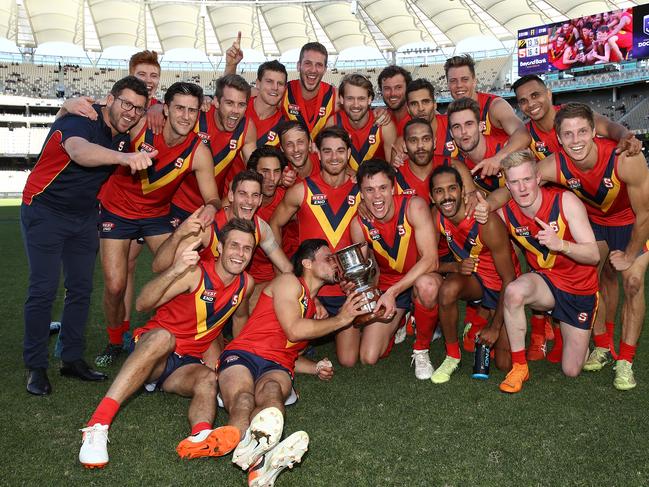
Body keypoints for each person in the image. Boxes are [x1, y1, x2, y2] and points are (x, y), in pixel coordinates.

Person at [78, 219, 256, 468]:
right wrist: (175, 270)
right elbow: (141, 304)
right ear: (220, 248)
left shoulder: (246, 284)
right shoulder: (194, 273)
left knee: (207, 378)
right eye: (234, 245)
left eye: (247, 248)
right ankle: (97, 425)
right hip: (155, 350)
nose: (240, 253)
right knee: (164, 337)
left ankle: (201, 435)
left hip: (184, 365)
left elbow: (238, 318)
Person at [21, 76, 153, 396]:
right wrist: (124, 158)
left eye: (138, 108)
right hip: (44, 209)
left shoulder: (123, 130)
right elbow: (79, 152)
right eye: (125, 104)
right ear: (109, 99)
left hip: (83, 218)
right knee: (44, 288)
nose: (131, 112)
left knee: (80, 288)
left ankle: (71, 358)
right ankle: (36, 366)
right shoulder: (83, 116)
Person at [217, 239, 366, 486]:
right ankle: (259, 460)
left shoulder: (310, 308)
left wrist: (314, 367)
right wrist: (342, 319)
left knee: (273, 396)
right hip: (244, 354)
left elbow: (288, 352)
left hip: (277, 366)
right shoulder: (289, 282)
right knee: (243, 399)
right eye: (328, 258)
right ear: (307, 263)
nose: (335, 263)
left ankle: (254, 460)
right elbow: (294, 331)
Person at [95, 82, 221, 367]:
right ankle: (116, 341)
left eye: (191, 110)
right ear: (165, 108)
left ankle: (185, 335)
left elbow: (212, 197)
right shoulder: (142, 126)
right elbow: (110, 114)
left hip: (155, 216)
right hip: (117, 211)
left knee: (186, 269)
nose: (185, 116)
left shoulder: (198, 151)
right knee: (115, 285)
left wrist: (211, 209)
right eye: (179, 108)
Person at [478, 151, 600, 393]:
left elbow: (594, 255)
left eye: (526, 179)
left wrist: (561, 245)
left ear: (538, 178)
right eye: (514, 182)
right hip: (547, 284)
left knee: (571, 370)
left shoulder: (565, 202)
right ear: (507, 185)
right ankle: (520, 367)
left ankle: (573, 330)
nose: (522, 188)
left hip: (579, 288)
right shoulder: (506, 214)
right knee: (514, 292)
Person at [269, 127, 360, 364]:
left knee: (349, 360)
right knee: (282, 351)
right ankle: (310, 328)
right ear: (316, 153)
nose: (334, 157)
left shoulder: (361, 190)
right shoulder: (301, 190)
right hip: (310, 290)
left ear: (349, 153)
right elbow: (274, 225)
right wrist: (287, 273)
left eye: (340, 151)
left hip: (345, 288)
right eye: (327, 151)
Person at [350, 159, 441, 374]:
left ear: (393, 188)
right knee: (368, 357)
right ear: (361, 194)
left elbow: (430, 260)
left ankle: (421, 350)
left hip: (419, 277)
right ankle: (403, 318)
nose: (377, 196)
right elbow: (364, 269)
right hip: (390, 285)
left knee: (427, 286)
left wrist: (392, 292)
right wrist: (356, 286)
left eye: (383, 188)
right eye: (369, 190)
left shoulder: (414, 206)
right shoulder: (359, 223)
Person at [430, 165, 517, 383]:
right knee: (447, 289)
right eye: (439, 191)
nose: (446, 197)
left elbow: (509, 279)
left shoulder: (486, 222)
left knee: (504, 363)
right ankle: (452, 355)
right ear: (432, 196)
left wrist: (496, 328)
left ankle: (485, 317)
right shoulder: (436, 217)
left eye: (452, 189)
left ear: (462, 191)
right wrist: (454, 268)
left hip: (502, 287)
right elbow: (425, 262)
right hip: (474, 280)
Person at [171, 74, 257, 222]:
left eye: (241, 104)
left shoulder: (247, 128)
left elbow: (255, 171)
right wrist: (156, 108)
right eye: (229, 103)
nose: (236, 110)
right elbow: (171, 114)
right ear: (216, 102)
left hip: (212, 205)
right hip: (177, 202)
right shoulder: (197, 115)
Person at [444, 54, 531, 177]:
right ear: (447, 84)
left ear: (474, 81)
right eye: (453, 81)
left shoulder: (494, 106)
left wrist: (498, 158)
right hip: (478, 179)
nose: (459, 85)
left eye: (465, 79)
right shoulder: (450, 116)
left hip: (510, 174)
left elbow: (523, 135)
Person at [326, 74, 397, 171]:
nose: (356, 105)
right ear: (342, 99)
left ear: (369, 99)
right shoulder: (333, 123)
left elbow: (392, 170)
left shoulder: (384, 125)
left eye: (361, 99)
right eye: (350, 98)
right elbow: (328, 162)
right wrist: (347, 171)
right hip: (345, 184)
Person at [281, 42, 336, 140]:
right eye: (308, 63)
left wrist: (373, 112)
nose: (313, 70)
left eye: (319, 65)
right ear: (298, 66)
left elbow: (359, 105)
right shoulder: (282, 92)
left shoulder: (335, 97)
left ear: (324, 69)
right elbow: (256, 94)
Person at [246, 60, 288, 148]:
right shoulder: (240, 108)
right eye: (269, 81)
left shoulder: (284, 125)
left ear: (285, 88)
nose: (275, 88)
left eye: (280, 84)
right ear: (258, 83)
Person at [377, 65, 413, 137]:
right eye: (387, 88)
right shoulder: (379, 119)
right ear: (381, 91)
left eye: (398, 87)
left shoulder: (419, 117)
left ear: (408, 89)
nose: (393, 93)